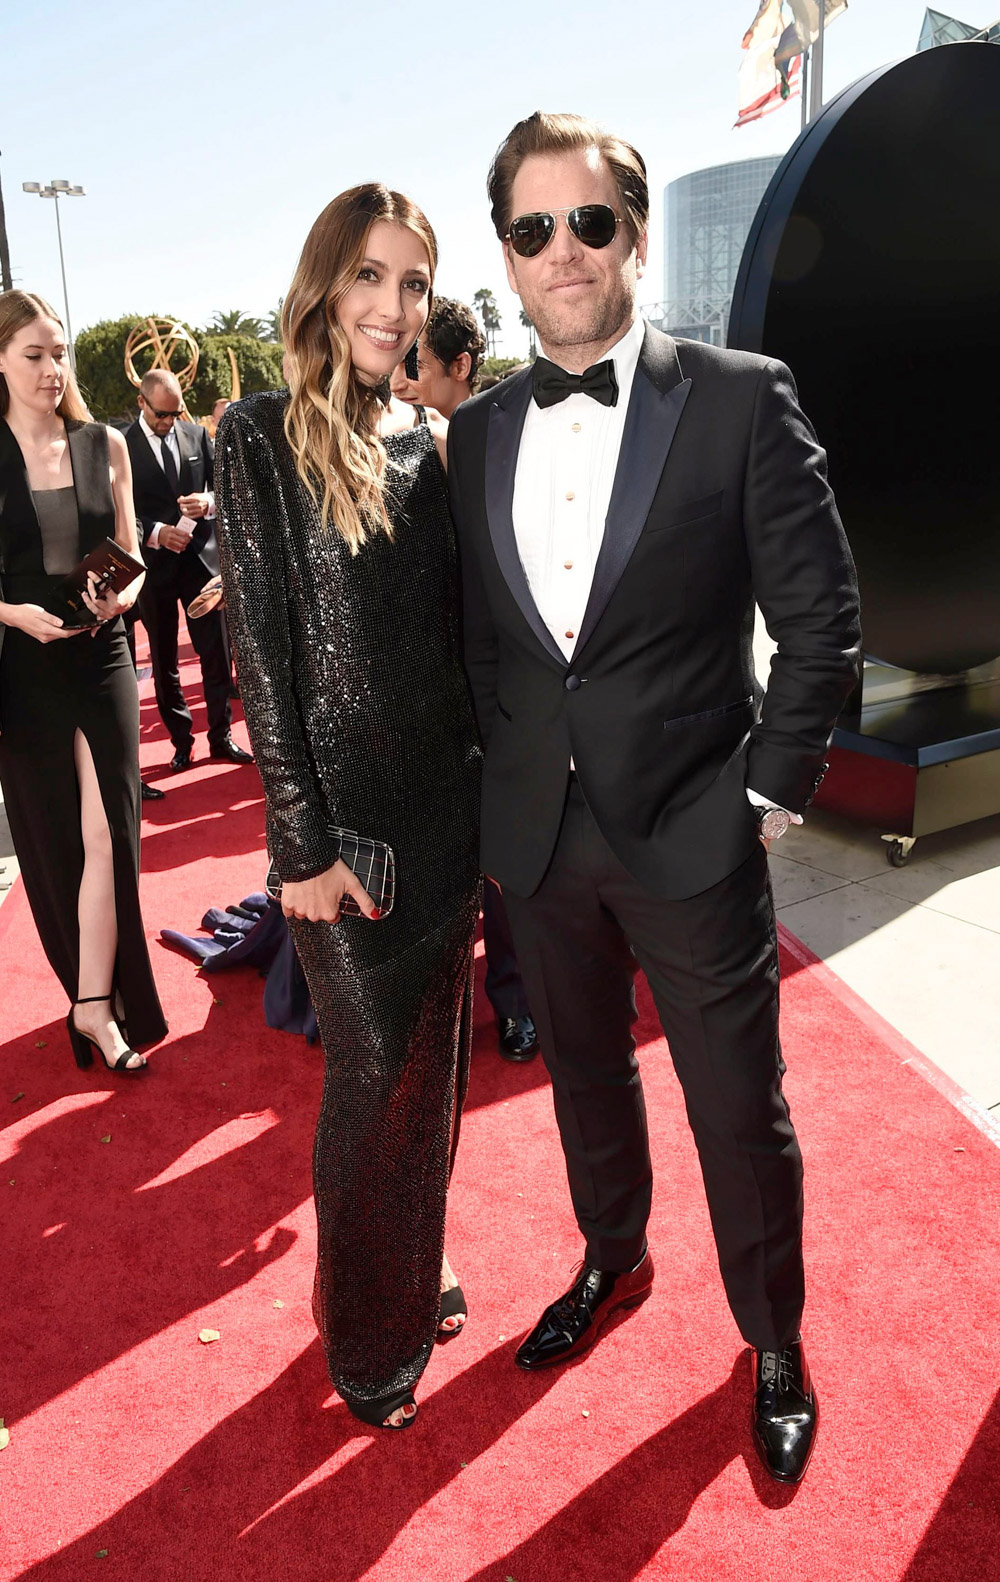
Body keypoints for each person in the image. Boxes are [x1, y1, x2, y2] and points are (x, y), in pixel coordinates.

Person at [448, 112, 861, 1484]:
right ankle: (610, 1256)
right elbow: (479, 639)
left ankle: (776, 1338)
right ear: (505, 256)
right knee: (582, 1079)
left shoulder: (742, 393)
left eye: (588, 221)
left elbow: (821, 622)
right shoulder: (479, 433)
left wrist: (768, 793)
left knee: (738, 1104)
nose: (561, 252)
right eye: (530, 229)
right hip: (540, 838)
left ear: (629, 226)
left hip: (697, 826)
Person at [215, 184, 482, 1432]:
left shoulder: (424, 442)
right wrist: (299, 848)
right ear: (326, 288)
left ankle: (403, 1271)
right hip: (347, 841)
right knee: (371, 1078)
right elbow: (261, 657)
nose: (392, 306)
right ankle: (366, 1347)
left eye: (413, 283)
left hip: (446, 813)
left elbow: (446, 638)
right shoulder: (258, 433)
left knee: (431, 1075)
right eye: (371, 277)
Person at [0, 291, 167, 1071]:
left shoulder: (105, 444)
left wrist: (118, 597)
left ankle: (95, 1006)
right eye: (34, 354)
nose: (51, 368)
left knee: (111, 836)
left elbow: (131, 555)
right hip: (21, 669)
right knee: (57, 842)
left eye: (58, 352)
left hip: (102, 661)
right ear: (0, 359)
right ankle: (89, 994)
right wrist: (14, 614)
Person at [392, 297, 538, 1062]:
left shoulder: (488, 438)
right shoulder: (388, 439)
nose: (405, 374)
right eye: (400, 357)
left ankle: (516, 998)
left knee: (504, 860)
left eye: (417, 359)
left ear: (458, 365)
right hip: (419, 685)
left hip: (495, 684)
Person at [125, 371, 252, 772]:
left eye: (175, 412)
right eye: (162, 414)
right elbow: (117, 512)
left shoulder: (196, 436)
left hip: (201, 563)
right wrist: (157, 533)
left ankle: (221, 736)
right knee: (164, 660)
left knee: (216, 652)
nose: (169, 421)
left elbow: (227, 487)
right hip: (154, 570)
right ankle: (182, 743)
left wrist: (208, 501)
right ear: (142, 403)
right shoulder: (120, 447)